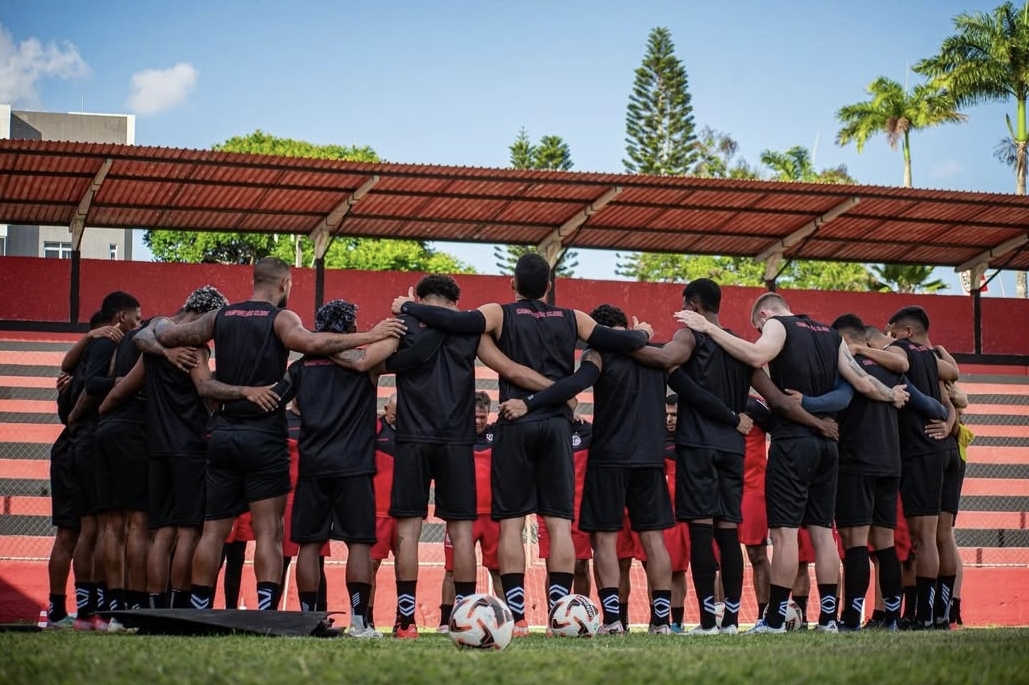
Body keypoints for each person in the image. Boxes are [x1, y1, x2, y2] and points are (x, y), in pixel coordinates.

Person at [393, 254, 654, 635]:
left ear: (512, 283)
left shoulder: (499, 313)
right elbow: (623, 340)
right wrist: (642, 333)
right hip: (557, 426)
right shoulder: (573, 317)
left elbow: (460, 323)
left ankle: (515, 618)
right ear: (548, 286)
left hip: (514, 421)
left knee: (512, 524)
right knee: (559, 524)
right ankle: (558, 619)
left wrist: (408, 306)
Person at [153, 257, 406, 611]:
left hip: (224, 433)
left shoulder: (219, 317)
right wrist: (371, 335)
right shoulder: (282, 319)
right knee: (269, 531)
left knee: (212, 532)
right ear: (285, 283)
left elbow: (166, 335)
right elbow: (312, 344)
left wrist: (163, 342)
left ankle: (197, 609)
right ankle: (268, 612)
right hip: (267, 437)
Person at [677, 292, 909, 633]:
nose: (761, 333)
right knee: (823, 533)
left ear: (765, 315)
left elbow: (756, 355)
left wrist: (708, 328)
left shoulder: (777, 324)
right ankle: (828, 620)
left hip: (793, 442)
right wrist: (892, 395)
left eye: (759, 328)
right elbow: (861, 382)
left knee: (784, 534)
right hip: (828, 445)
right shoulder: (830, 335)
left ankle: (774, 620)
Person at [348, 273, 554, 638]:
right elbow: (509, 368)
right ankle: (463, 618)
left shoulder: (406, 323)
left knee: (408, 532)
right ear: (456, 303)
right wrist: (557, 390)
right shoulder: (469, 329)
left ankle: (406, 623)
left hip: (412, 438)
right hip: (457, 442)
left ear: (418, 297)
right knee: (461, 533)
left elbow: (368, 363)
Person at [503, 304, 675, 636]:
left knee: (605, 541)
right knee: (654, 540)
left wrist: (529, 402)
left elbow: (574, 385)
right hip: (651, 459)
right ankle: (661, 622)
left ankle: (613, 621)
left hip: (609, 457)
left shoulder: (599, 353)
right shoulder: (656, 355)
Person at [98, 286, 227, 610]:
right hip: (189, 447)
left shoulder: (153, 348)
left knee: (161, 533)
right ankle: (179, 605)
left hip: (157, 448)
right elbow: (206, 391)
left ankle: (154, 605)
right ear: (203, 315)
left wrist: (100, 412)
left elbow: (122, 390)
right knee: (188, 532)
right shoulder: (195, 349)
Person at [285, 300, 383, 637]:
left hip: (313, 464)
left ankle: (308, 620)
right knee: (359, 543)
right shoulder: (365, 363)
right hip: (355, 465)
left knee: (309, 545)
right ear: (352, 328)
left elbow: (276, 398)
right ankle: (359, 622)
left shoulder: (300, 367)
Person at [65, 291, 143, 630]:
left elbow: (70, 371)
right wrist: (123, 383)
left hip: (93, 438)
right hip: (95, 438)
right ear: (121, 317)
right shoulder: (106, 341)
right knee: (103, 527)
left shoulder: (110, 343)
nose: (139, 323)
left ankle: (96, 610)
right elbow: (92, 383)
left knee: (100, 528)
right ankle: (103, 608)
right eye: (137, 317)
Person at [885, 305, 960, 629]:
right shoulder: (931, 358)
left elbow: (894, 361)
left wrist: (862, 348)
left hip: (921, 452)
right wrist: (949, 424)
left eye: (892, 332)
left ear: (907, 332)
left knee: (923, 539)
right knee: (943, 536)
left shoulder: (900, 351)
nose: (889, 338)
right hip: (948, 450)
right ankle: (942, 614)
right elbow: (952, 390)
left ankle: (925, 617)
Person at [45, 312, 122, 628]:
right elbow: (71, 413)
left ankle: (71, 610)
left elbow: (64, 413)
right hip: (83, 449)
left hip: (69, 450)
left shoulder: (74, 370)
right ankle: (84, 610)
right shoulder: (97, 365)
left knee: (75, 533)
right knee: (89, 530)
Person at [438, 392, 503, 633]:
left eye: (482, 417)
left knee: (498, 570)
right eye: (474, 416)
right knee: (451, 570)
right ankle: (446, 621)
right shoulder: (455, 434)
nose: (478, 421)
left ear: (488, 415)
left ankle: (507, 619)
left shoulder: (497, 434)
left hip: (492, 516)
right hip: (461, 515)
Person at [369, 394, 397, 629]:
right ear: (386, 408)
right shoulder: (376, 428)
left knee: (405, 565)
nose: (398, 417)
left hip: (404, 510)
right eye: (394, 412)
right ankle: (366, 618)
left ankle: (403, 619)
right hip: (377, 511)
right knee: (371, 565)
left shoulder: (414, 428)